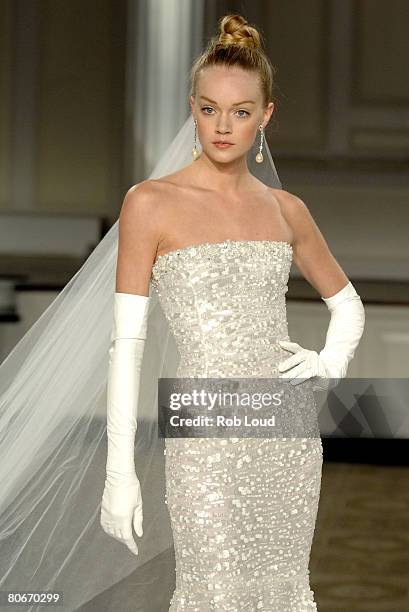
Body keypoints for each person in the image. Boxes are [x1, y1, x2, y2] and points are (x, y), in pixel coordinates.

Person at [99, 13, 365, 611]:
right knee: (212, 590)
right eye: (210, 108)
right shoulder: (150, 202)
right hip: (203, 430)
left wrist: (330, 363)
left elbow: (347, 304)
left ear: (265, 116)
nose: (223, 125)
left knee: (282, 591)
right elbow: (127, 347)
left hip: (286, 430)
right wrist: (120, 474)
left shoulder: (285, 209)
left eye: (241, 111)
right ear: (192, 107)